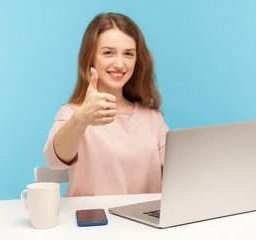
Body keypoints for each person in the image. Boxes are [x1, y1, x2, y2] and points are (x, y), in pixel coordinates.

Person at [43, 13, 168, 197]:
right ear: (91, 57)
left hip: (143, 223)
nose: (119, 64)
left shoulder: (152, 117)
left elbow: (177, 169)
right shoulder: (72, 113)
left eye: (128, 54)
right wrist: (80, 120)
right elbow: (54, 162)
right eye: (108, 52)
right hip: (94, 222)